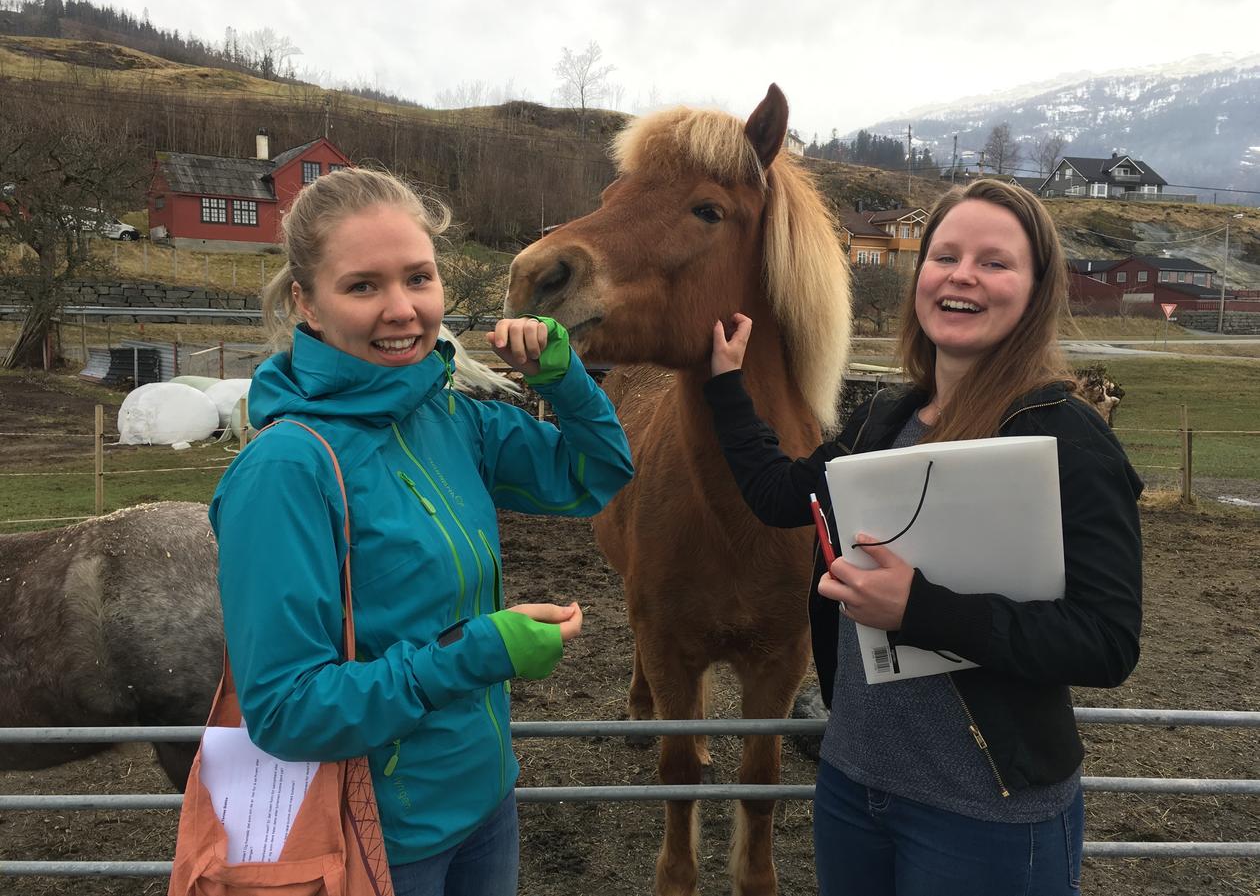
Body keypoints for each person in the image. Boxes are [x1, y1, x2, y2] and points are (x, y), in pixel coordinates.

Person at [704, 178, 1142, 896]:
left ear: (1035, 289)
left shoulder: (1071, 442)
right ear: (921, 278)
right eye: (945, 255)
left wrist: (919, 608)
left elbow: (1105, 640)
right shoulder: (884, 420)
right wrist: (726, 386)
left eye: (995, 261)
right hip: (853, 787)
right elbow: (780, 493)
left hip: (989, 814)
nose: (963, 273)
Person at [209, 166, 634, 896]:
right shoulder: (284, 470)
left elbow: (593, 473)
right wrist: (477, 652)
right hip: (377, 835)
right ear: (307, 305)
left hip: (486, 798)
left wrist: (564, 378)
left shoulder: (446, 417)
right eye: (363, 285)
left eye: (418, 277)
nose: (403, 309)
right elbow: (284, 709)